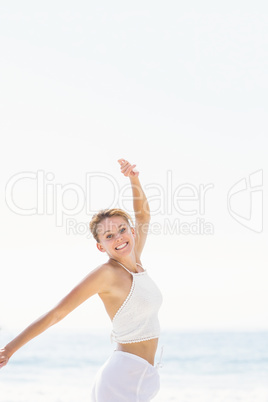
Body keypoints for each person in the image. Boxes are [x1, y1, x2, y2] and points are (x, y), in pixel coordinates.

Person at [0, 159, 163, 402]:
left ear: (131, 231)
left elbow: (143, 216)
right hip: (121, 380)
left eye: (121, 229)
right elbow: (58, 313)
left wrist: (133, 178)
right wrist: (9, 349)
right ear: (101, 246)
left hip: (146, 376)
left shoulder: (136, 261)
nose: (118, 237)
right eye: (109, 235)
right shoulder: (106, 273)